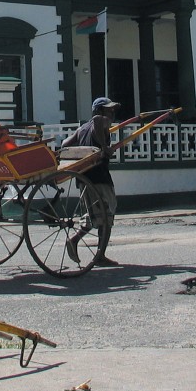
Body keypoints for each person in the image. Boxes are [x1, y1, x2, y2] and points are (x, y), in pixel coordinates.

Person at [61, 96, 120, 267]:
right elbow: (96, 120)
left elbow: (65, 143)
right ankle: (99, 255)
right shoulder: (100, 120)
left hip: (85, 177)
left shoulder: (81, 129)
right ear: (100, 111)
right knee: (107, 214)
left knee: (93, 215)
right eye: (109, 110)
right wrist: (103, 147)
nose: (111, 113)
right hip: (99, 177)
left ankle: (74, 241)